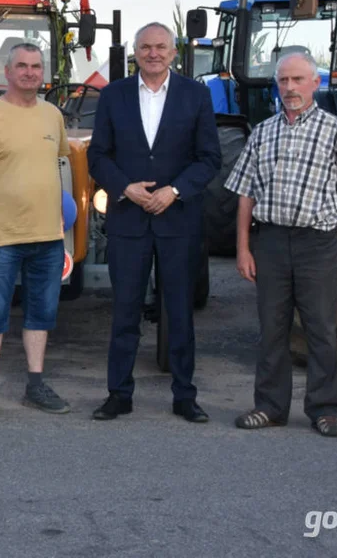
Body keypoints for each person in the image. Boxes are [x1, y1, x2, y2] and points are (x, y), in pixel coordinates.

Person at [224, 53, 337, 437]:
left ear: (315, 83)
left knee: (320, 328)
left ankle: (326, 409)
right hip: (269, 241)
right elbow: (245, 196)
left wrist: (328, 231)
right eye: (283, 80)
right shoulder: (263, 132)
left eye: (298, 80)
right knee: (271, 328)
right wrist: (243, 248)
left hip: (315, 243)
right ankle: (269, 407)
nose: (289, 88)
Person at [86, 22, 221, 423]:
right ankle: (118, 394)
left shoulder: (196, 96)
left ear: (174, 51)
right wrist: (126, 188)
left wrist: (173, 191)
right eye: (145, 47)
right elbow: (98, 156)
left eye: (161, 46)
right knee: (125, 310)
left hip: (177, 220)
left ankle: (185, 396)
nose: (153, 53)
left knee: (178, 311)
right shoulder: (114, 96)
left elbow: (210, 158)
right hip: (128, 219)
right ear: (135, 52)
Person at [0, 43, 71, 419]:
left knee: (41, 313)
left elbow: (55, 169)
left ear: (44, 73)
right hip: (1, 237)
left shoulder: (52, 117)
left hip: (47, 237)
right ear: (7, 72)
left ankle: (35, 385)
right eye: (22, 66)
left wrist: (61, 222)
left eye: (36, 67)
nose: (30, 73)